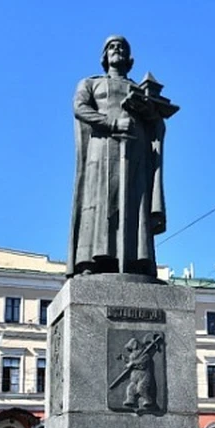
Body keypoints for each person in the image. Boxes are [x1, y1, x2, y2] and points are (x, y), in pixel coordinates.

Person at [67, 35, 173, 278]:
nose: (117, 50)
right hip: (102, 149)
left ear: (129, 58)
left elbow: (156, 124)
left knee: (134, 205)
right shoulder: (90, 83)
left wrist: (154, 115)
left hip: (135, 152)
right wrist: (112, 124)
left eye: (122, 47)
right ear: (105, 56)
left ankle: (135, 260)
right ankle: (91, 261)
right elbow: (80, 108)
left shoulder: (138, 89)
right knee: (100, 202)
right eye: (112, 47)